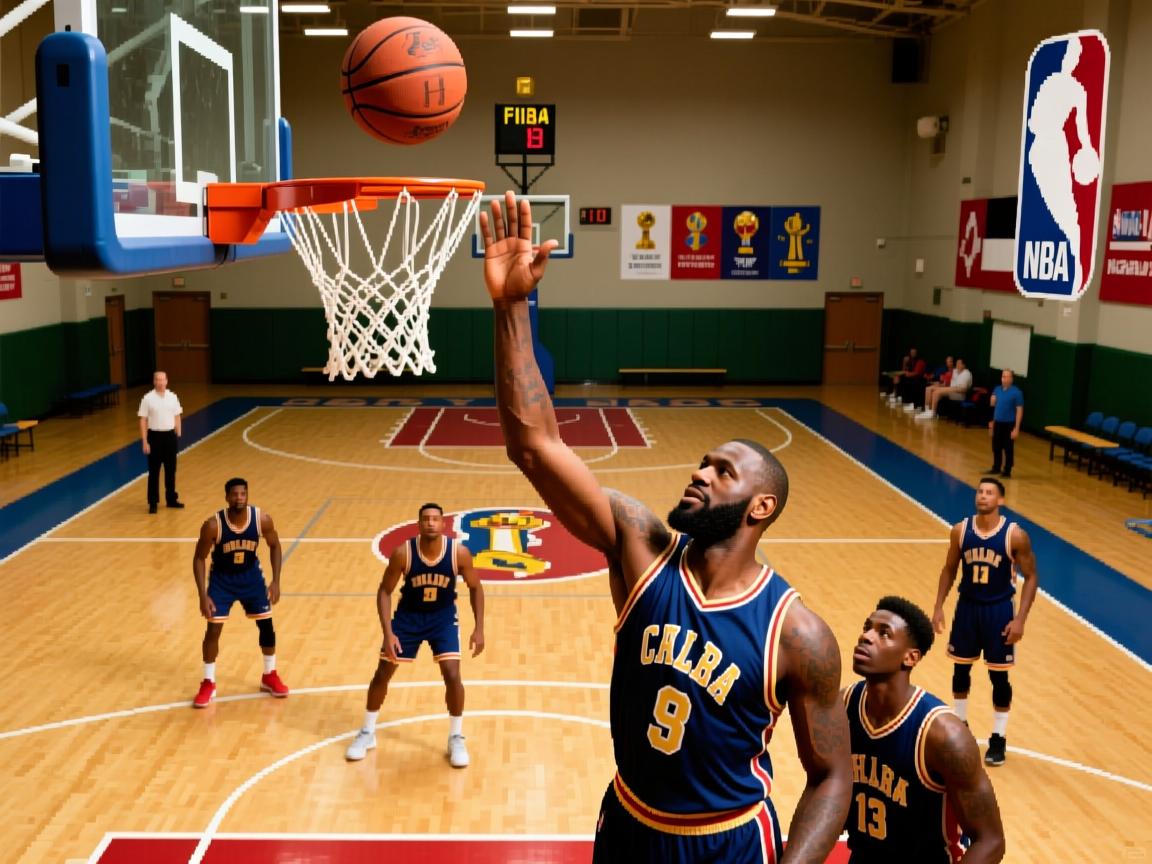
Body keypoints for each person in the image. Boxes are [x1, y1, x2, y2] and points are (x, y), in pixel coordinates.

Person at [480, 191, 852, 863]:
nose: (701, 473)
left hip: (729, 841)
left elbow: (832, 776)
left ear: (760, 507)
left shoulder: (798, 635)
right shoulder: (642, 548)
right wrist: (511, 308)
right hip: (630, 824)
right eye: (703, 462)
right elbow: (533, 445)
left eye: (723, 472)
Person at [846, 595, 1005, 862]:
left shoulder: (944, 736)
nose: (866, 637)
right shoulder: (844, 706)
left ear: (910, 657)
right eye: (867, 628)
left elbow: (991, 841)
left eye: (884, 633)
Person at [345, 503, 485, 768]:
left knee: (452, 673)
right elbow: (384, 591)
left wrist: (479, 628)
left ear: (443, 524)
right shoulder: (403, 553)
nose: (430, 523)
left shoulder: (458, 553)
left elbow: (476, 588)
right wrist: (388, 633)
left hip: (442, 618)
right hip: (408, 618)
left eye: (435, 519)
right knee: (383, 672)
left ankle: (456, 737)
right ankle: (367, 732)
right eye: (426, 519)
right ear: (419, 524)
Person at [931, 477, 1039, 767]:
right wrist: (938, 606)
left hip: (998, 610)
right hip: (967, 607)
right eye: (980, 491)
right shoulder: (960, 530)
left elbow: (1031, 577)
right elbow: (949, 569)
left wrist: (1020, 620)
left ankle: (998, 738)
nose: (982, 496)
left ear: (1000, 500)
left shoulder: (1015, 536)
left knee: (998, 677)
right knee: (960, 669)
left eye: (989, 493)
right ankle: (961, 726)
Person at [191, 478, 289, 707]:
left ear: (247, 495)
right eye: (234, 494)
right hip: (222, 580)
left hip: (250, 577)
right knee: (213, 629)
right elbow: (199, 558)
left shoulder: (261, 519)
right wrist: (203, 595)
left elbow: (275, 545)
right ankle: (208, 682)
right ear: (227, 497)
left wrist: (276, 581)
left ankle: (269, 675)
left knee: (266, 625)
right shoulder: (213, 525)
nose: (239, 498)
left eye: (243, 494)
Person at [138, 370, 183, 513]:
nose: (160, 382)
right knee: (154, 471)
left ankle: (171, 499)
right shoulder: (147, 398)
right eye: (157, 379)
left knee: (171, 470)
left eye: (163, 379)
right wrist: (145, 441)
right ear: (154, 382)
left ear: (166, 381)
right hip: (154, 437)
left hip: (170, 436)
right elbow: (143, 420)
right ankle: (153, 502)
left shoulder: (173, 397)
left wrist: (178, 431)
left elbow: (177, 415)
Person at [987, 369, 1024, 478]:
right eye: (1003, 376)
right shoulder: (997, 389)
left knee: (1008, 448)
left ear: (1012, 379)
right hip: (998, 422)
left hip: (1009, 424)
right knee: (996, 446)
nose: (1004, 379)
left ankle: (1007, 470)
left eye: (1007, 376)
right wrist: (992, 422)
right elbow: (993, 406)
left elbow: (1019, 410)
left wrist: (1016, 428)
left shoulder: (1017, 392)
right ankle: (996, 467)